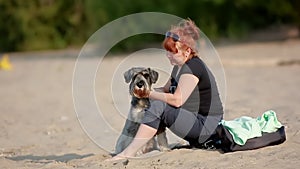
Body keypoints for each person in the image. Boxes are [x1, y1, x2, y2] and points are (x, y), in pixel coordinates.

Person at [108, 19, 224, 161]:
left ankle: (129, 152)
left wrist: (149, 94)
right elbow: (164, 90)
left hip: (206, 126)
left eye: (172, 52)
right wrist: (142, 91)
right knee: (155, 103)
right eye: (167, 51)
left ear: (187, 51)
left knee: (158, 105)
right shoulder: (179, 66)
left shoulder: (193, 67)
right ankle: (145, 147)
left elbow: (177, 100)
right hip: (194, 122)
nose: (168, 55)